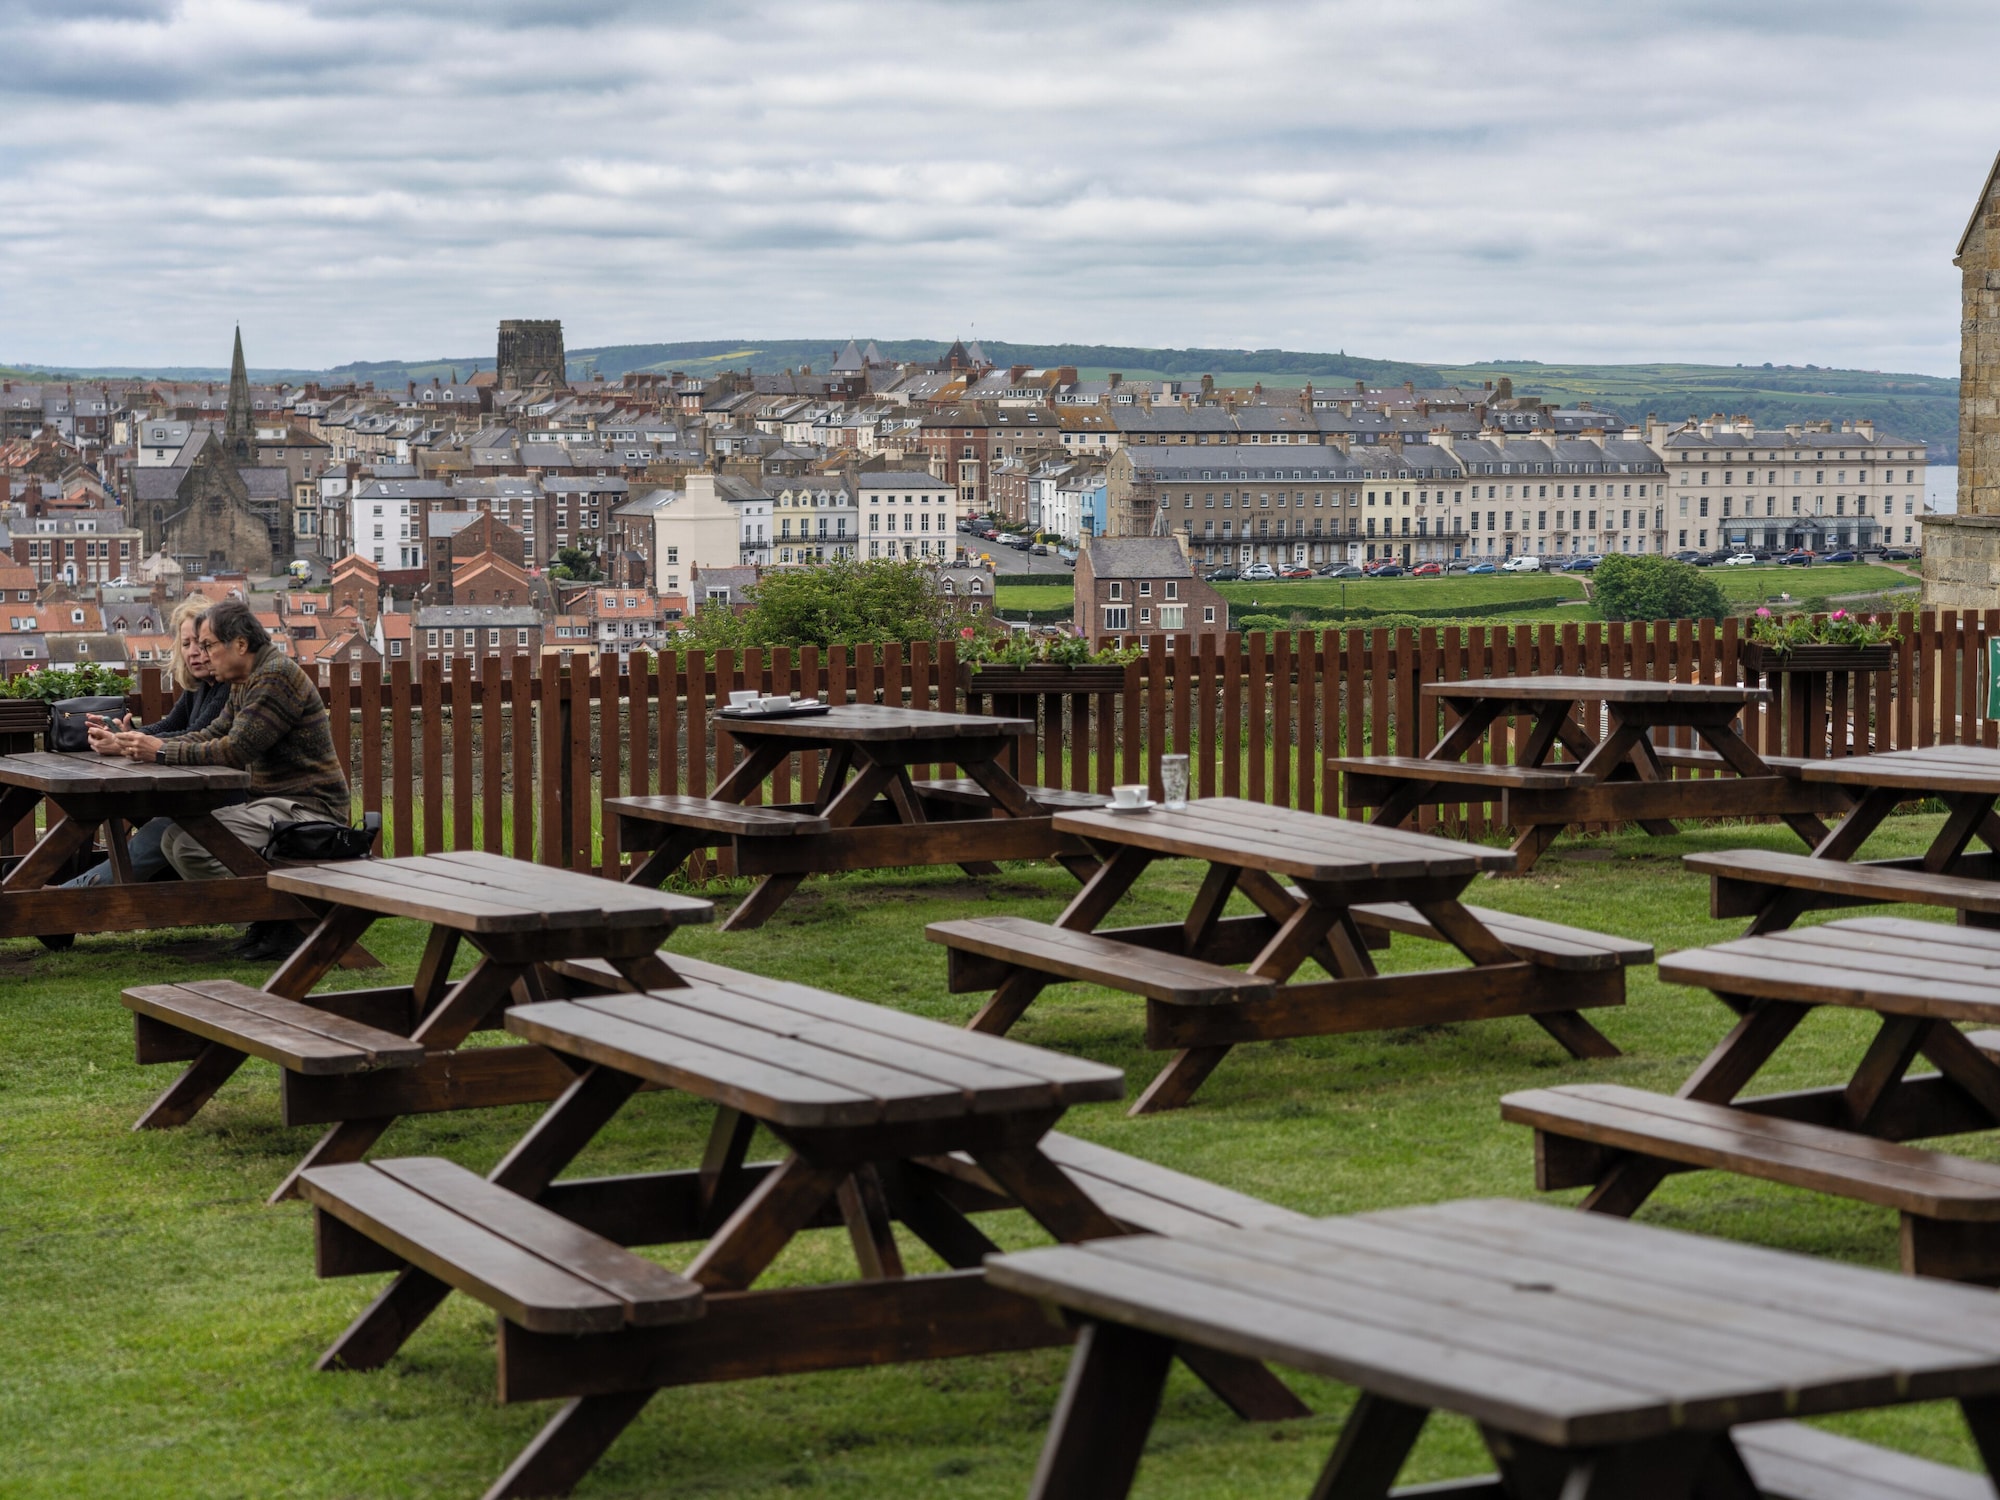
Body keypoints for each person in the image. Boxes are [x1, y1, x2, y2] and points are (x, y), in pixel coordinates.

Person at [100, 599, 351, 960]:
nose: (203, 654)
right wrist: (141, 744)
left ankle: (286, 922)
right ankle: (271, 922)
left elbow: (237, 748)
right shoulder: (245, 681)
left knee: (191, 843)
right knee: (175, 840)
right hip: (273, 806)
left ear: (240, 644)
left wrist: (161, 751)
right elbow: (212, 733)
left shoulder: (275, 677)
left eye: (208, 645)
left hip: (309, 809)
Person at [63, 594, 227, 889]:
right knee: (137, 809)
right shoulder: (199, 687)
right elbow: (169, 726)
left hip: (228, 799)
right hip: (202, 793)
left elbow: (198, 734)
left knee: (164, 826)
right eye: (186, 644)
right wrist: (126, 736)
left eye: (202, 644)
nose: (193, 652)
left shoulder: (227, 688)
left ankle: (69, 895)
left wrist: (127, 743)